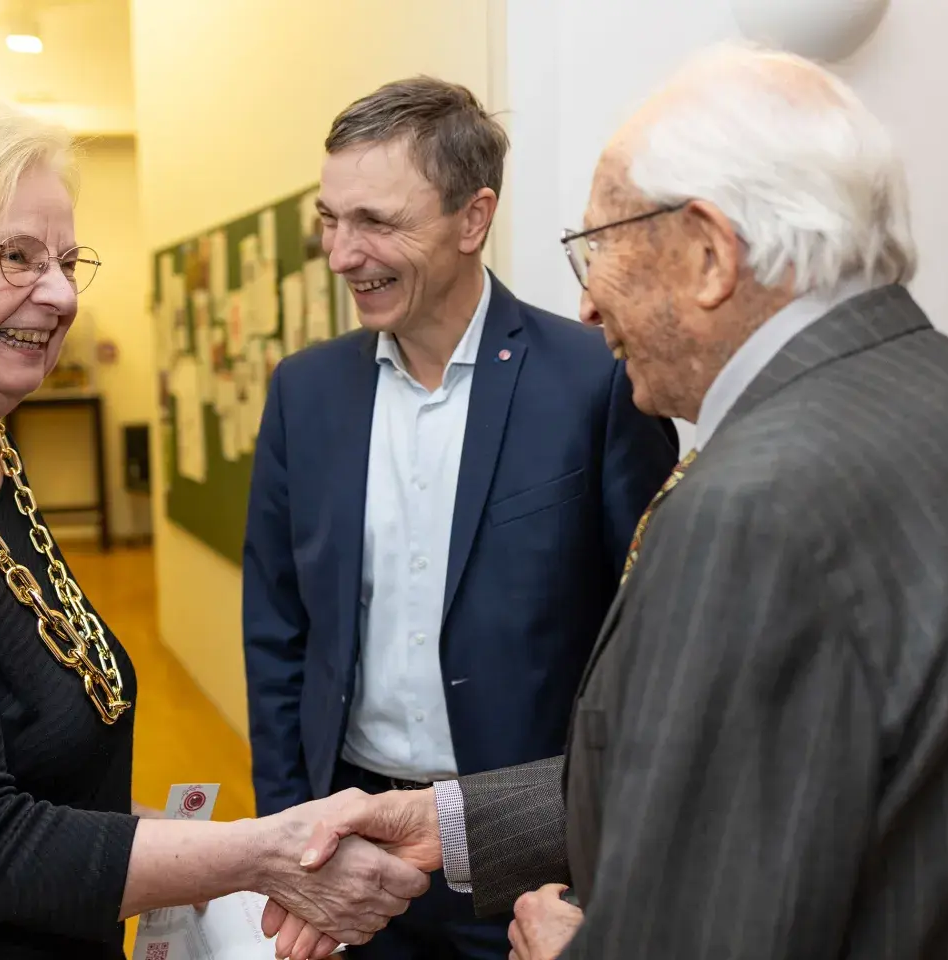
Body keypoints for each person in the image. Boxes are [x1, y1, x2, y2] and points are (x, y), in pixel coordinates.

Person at [265, 43, 948, 960]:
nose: (587, 308)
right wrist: (458, 824)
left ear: (709, 253)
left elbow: (711, 910)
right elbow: (766, 777)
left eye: (602, 249)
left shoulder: (755, 504)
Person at [0, 93, 426, 960]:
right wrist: (262, 854)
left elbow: (19, 773)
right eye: (16, 257)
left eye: (65, 259)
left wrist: (214, 852)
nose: (58, 294)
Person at [242, 77, 677, 960]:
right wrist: (294, 844)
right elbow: (279, 633)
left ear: (472, 218)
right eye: (330, 219)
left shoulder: (596, 381)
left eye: (374, 221)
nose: (340, 252)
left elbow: (651, 651)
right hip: (352, 844)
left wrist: (596, 865)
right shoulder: (304, 394)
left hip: (531, 862)